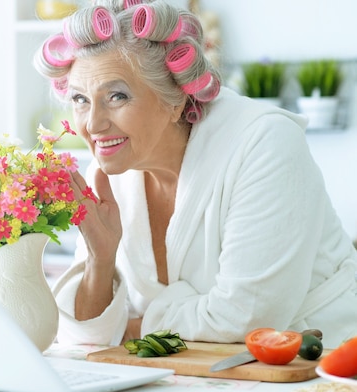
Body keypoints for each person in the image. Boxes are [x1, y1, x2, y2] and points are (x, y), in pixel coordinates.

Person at [33, 0, 357, 349]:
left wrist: (135, 325)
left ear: (175, 98)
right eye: (81, 99)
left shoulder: (265, 143)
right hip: (193, 376)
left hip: (322, 366)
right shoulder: (112, 169)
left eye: (116, 96)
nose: (93, 124)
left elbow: (247, 318)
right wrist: (101, 259)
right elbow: (83, 335)